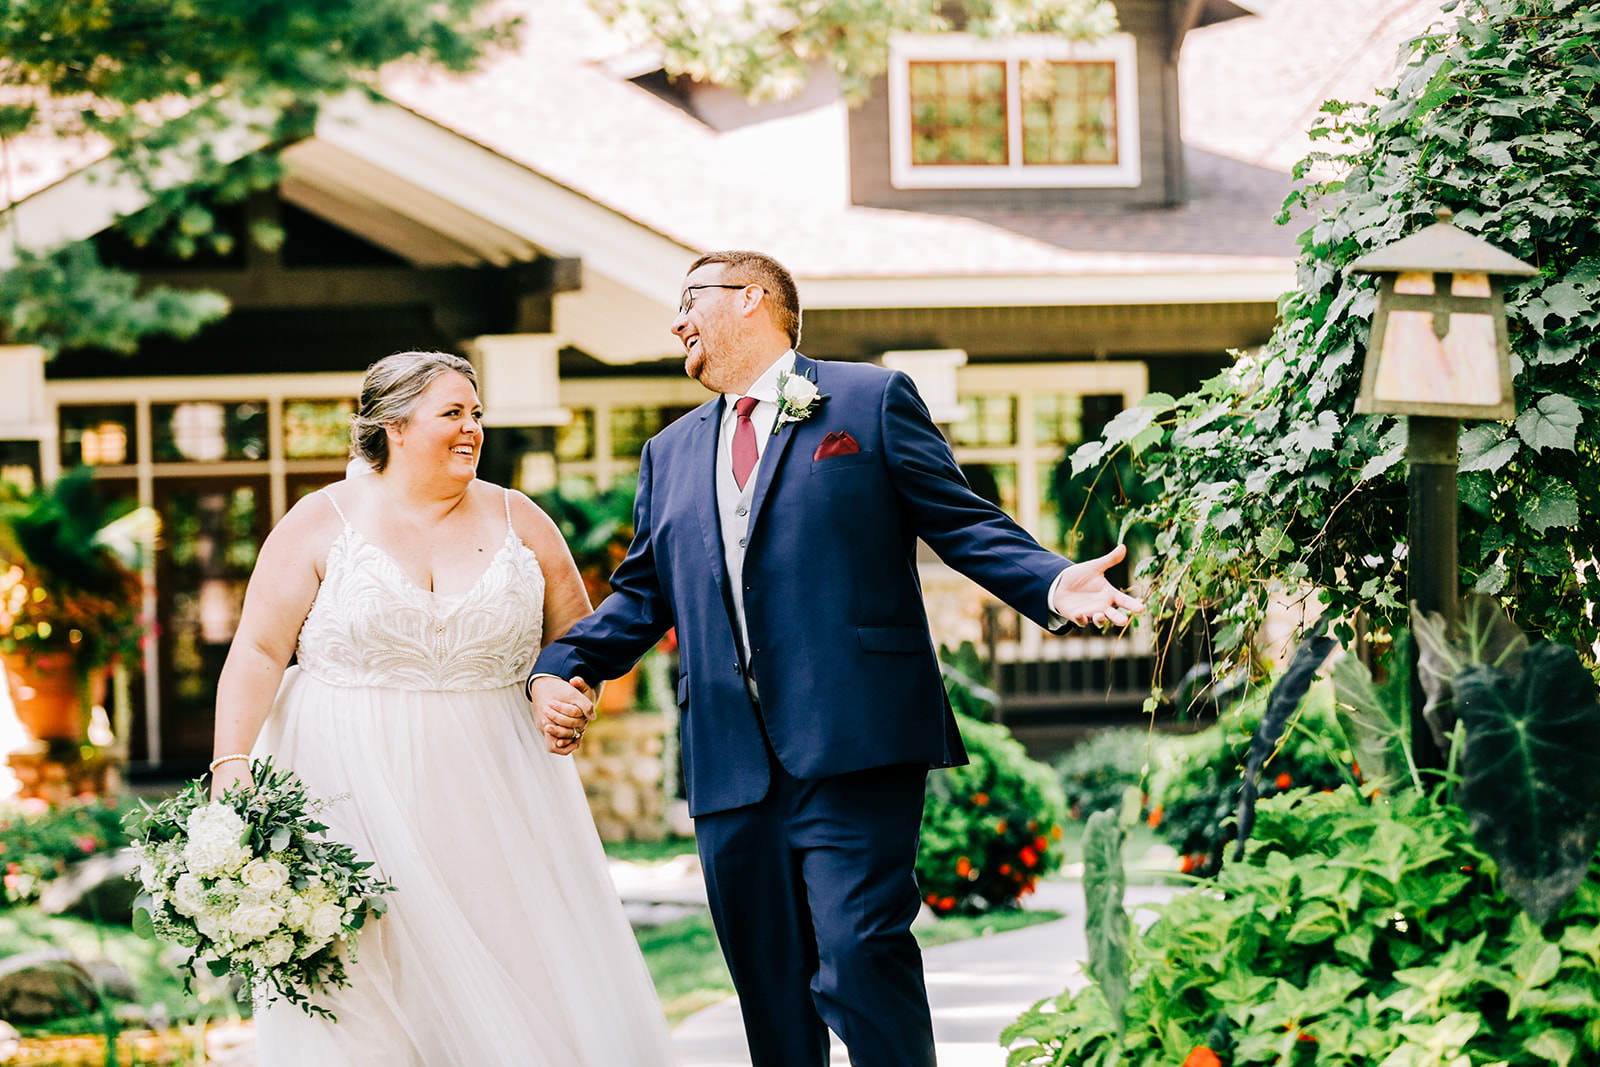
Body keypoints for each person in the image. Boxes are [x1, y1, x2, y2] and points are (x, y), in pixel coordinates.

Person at [529, 251, 1144, 1067]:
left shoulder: (868, 400)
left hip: (854, 734)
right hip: (728, 756)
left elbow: (959, 520)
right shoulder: (669, 453)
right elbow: (643, 595)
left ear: (753, 299)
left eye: (690, 302)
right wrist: (561, 662)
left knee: (859, 952)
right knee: (771, 986)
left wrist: (1055, 581)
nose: (677, 323)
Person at [207, 351, 674, 1066]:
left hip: (495, 800)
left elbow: (580, 648)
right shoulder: (317, 521)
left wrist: (569, 693)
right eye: (452, 413)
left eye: (477, 414)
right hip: (346, 796)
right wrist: (231, 767)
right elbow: (260, 651)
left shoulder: (524, 520)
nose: (472, 429)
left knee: (520, 977)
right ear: (393, 425)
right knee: (363, 989)